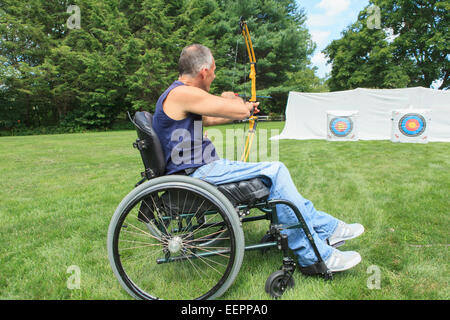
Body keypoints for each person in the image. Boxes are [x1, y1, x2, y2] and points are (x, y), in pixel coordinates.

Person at [152, 44, 364, 272]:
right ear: (204, 70)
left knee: (274, 174)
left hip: (201, 170)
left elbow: (212, 119)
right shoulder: (182, 92)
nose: (214, 75)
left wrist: (237, 106)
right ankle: (313, 256)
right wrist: (238, 105)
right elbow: (237, 111)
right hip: (198, 174)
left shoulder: (180, 96)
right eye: (214, 69)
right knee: (276, 171)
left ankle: (328, 229)